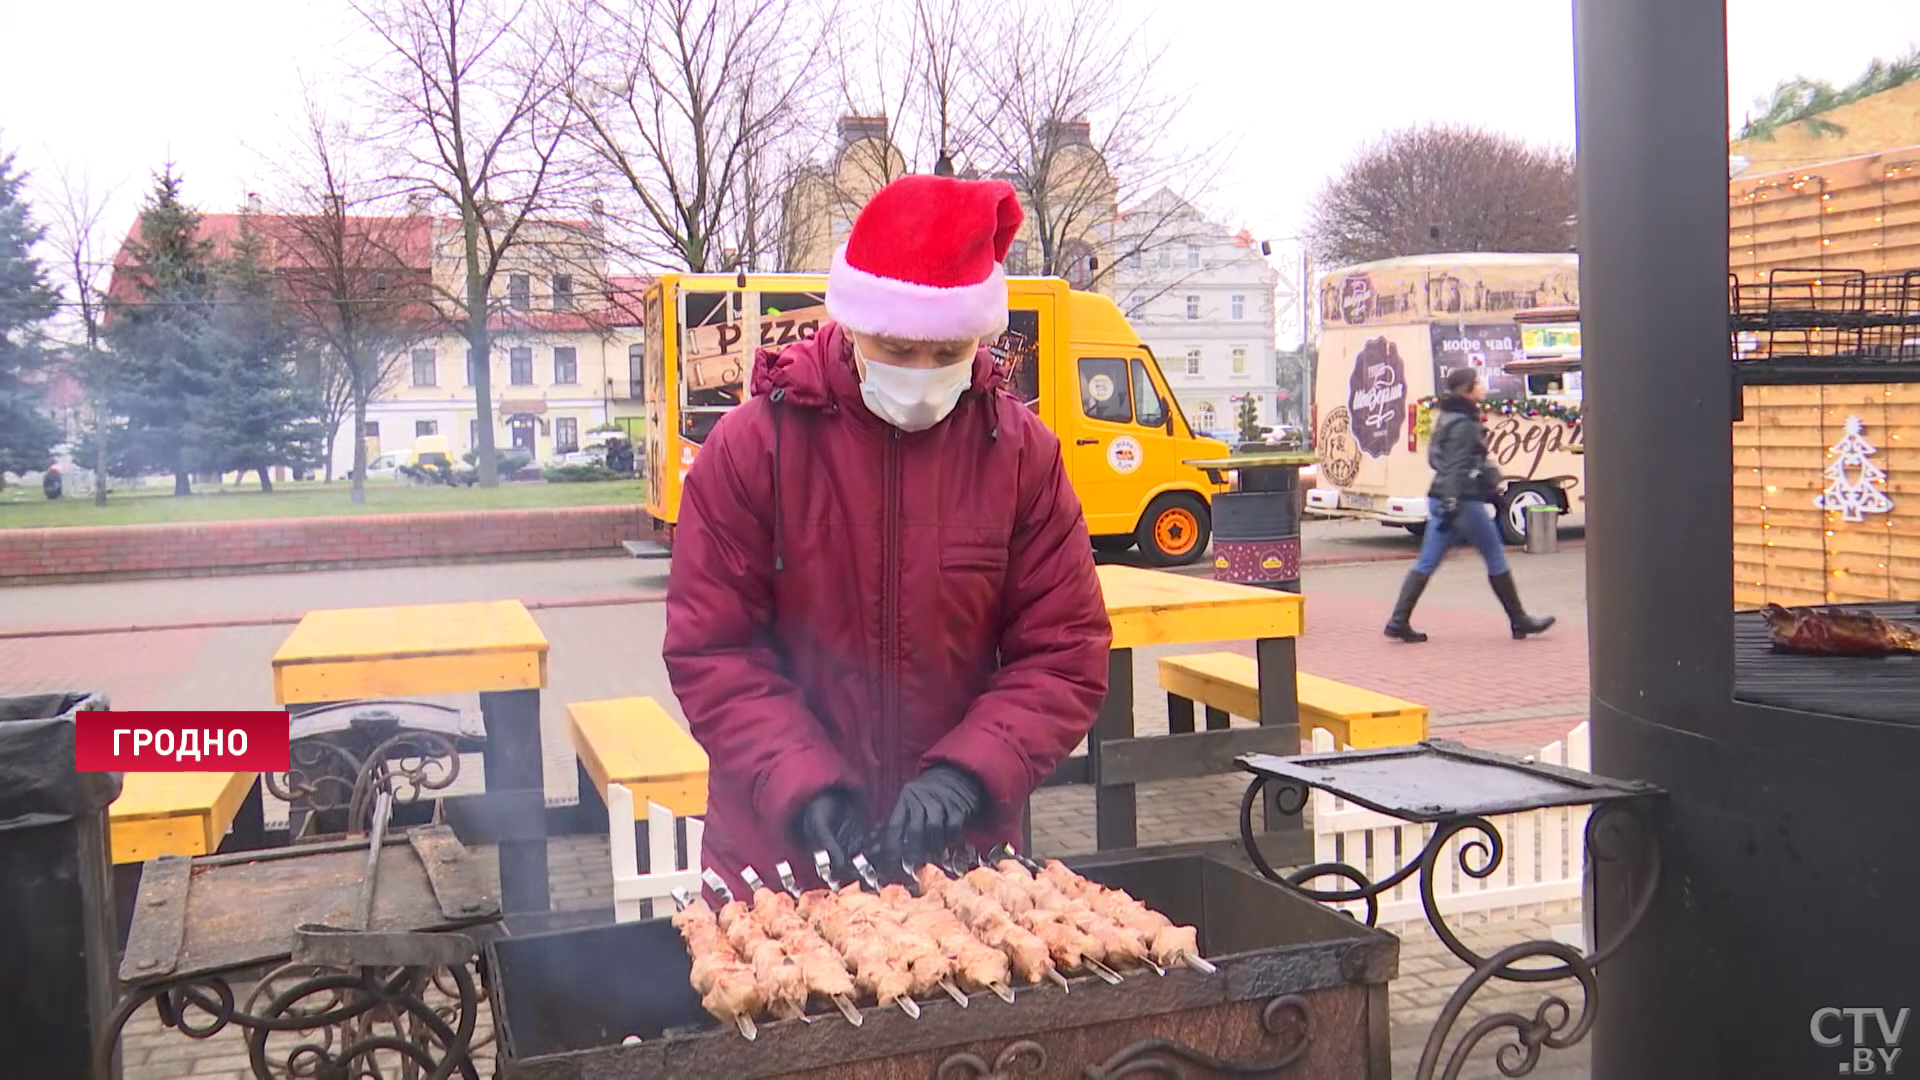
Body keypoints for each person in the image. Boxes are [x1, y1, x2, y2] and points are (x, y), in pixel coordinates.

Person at [663, 175, 1112, 895]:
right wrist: (801, 779)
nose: (924, 375)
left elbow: (1064, 652)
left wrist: (971, 772)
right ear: (852, 320)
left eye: (948, 352)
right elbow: (714, 650)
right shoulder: (754, 448)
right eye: (900, 349)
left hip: (958, 865)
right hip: (778, 860)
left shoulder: (1022, 454)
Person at [1384, 367, 1555, 643]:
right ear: (1466, 389)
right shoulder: (1464, 422)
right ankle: (1519, 619)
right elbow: (1458, 464)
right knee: (1495, 554)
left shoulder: (1446, 418)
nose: (1483, 387)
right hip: (1462, 501)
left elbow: (1437, 461)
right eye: (1478, 383)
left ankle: (1398, 620)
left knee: (1427, 561)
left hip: (1441, 497)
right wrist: (1456, 498)